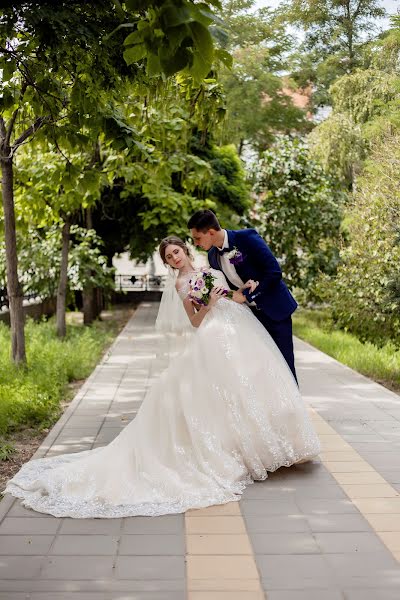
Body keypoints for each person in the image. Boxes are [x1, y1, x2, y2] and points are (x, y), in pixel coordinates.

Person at [4, 236, 320, 518]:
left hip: (239, 325)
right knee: (221, 390)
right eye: (169, 257)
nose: (175, 259)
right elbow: (195, 321)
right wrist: (209, 302)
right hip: (212, 333)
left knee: (252, 381)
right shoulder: (182, 285)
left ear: (185, 249)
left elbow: (231, 293)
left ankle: (270, 443)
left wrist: (241, 291)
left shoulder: (212, 264)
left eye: (176, 252)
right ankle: (238, 451)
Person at [188, 209, 298, 381]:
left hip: (275, 311)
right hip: (249, 318)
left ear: (210, 232)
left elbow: (274, 272)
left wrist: (248, 295)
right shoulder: (212, 256)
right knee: (262, 369)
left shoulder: (246, 238)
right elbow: (228, 289)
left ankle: (294, 408)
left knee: (285, 367)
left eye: (197, 238)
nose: (195, 243)